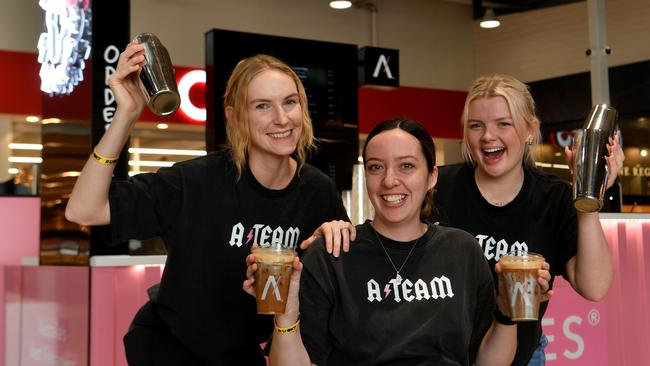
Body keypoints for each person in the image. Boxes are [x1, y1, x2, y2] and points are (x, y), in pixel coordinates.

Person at [65, 42, 352, 365]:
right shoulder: (195, 182)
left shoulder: (318, 192)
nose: (282, 118)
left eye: (290, 102)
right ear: (233, 117)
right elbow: (83, 210)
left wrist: (339, 235)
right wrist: (126, 114)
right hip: (170, 346)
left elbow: (332, 293)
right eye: (262, 106)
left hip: (242, 353)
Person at [244, 118, 553, 366]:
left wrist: (505, 313)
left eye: (406, 166)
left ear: (432, 176)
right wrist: (286, 313)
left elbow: (488, 361)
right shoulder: (332, 253)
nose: (390, 180)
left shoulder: (462, 250)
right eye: (376, 167)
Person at [431, 74, 624, 366]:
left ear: (530, 130)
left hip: (522, 356)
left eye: (503, 124)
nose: (487, 136)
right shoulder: (438, 187)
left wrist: (588, 195)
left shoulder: (554, 197)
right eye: (476, 125)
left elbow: (594, 286)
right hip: (441, 353)